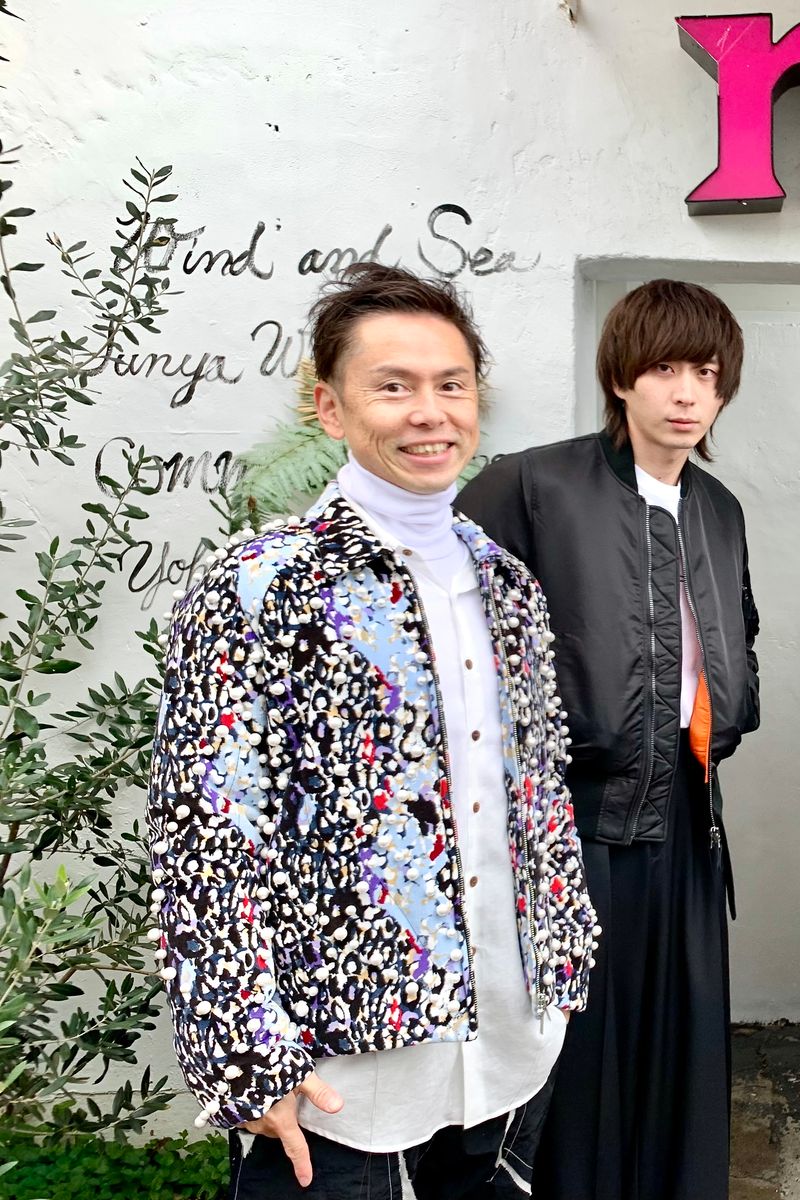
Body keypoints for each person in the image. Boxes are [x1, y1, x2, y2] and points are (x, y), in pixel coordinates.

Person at [147, 262, 598, 1198]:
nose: (429, 413)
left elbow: (537, 793)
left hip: (509, 1049)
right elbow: (204, 831)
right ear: (331, 407)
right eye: (393, 387)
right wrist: (243, 1052)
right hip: (341, 1075)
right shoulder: (264, 584)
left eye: (451, 385)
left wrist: (564, 956)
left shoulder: (507, 583)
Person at [456, 279, 760, 1200]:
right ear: (621, 377)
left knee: (679, 1051)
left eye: (705, 373)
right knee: (575, 1062)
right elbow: (460, 653)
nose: (685, 393)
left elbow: (734, 638)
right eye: (663, 368)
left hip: (689, 823)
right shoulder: (530, 487)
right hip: (571, 827)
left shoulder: (718, 508)